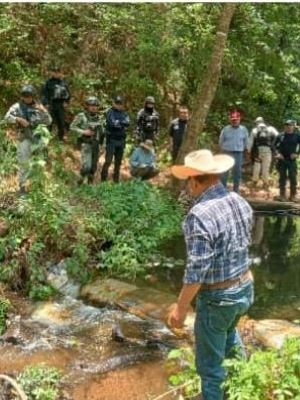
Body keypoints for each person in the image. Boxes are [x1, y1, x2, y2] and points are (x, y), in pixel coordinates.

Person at [168, 149, 254, 400]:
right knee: (228, 335)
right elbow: (243, 245)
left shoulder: (199, 215)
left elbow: (196, 271)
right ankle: (243, 388)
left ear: (194, 180)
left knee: (210, 368)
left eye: (188, 182)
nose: (188, 187)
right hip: (244, 287)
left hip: (218, 298)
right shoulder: (239, 200)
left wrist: (180, 308)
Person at [5, 84, 52, 195]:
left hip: (38, 139)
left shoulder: (38, 107)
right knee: (23, 163)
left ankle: (37, 186)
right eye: (25, 95)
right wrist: (18, 119)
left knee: (39, 163)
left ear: (33, 96)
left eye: (29, 95)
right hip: (24, 138)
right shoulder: (17, 106)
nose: (27, 98)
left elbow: (49, 121)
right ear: (22, 96)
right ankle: (22, 188)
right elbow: (7, 117)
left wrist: (43, 110)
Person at [70, 96, 104, 185]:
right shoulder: (81, 116)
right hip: (86, 143)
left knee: (93, 168)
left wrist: (102, 145)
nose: (94, 107)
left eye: (96, 105)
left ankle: (89, 186)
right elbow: (72, 127)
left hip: (96, 144)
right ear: (87, 106)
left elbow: (102, 132)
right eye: (91, 105)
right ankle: (79, 182)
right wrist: (83, 132)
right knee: (87, 167)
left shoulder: (99, 118)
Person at [101, 96, 130, 183]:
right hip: (111, 140)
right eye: (117, 103)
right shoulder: (110, 112)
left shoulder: (125, 113)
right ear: (114, 103)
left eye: (120, 103)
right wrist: (121, 123)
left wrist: (119, 122)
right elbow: (113, 124)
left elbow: (127, 123)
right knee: (108, 161)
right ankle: (103, 180)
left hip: (121, 141)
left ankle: (116, 181)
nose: (118, 105)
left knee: (118, 163)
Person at [219, 110, 249, 192]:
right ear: (230, 119)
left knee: (237, 172)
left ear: (239, 119)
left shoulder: (244, 129)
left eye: (236, 119)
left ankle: (236, 190)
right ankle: (222, 190)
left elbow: (246, 142)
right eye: (233, 119)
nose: (234, 121)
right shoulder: (225, 129)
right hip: (226, 152)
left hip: (238, 153)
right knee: (224, 172)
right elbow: (221, 141)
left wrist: (246, 152)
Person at [42, 65, 70, 141]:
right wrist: (46, 103)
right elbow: (44, 94)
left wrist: (66, 102)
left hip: (61, 104)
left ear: (60, 73)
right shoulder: (48, 82)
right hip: (51, 103)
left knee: (61, 120)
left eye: (58, 72)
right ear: (52, 72)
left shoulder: (63, 82)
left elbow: (68, 93)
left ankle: (61, 137)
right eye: (54, 72)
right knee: (49, 120)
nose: (56, 73)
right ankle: (46, 137)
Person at [247, 117, 278, 188]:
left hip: (258, 152)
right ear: (263, 121)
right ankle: (265, 183)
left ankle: (254, 181)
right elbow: (278, 136)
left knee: (257, 166)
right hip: (267, 151)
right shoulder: (270, 129)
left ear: (256, 123)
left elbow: (250, 142)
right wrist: (274, 146)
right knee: (266, 167)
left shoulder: (254, 130)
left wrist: (248, 151)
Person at [274, 119, 300, 202]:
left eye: (290, 125)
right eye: (286, 125)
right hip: (282, 159)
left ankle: (293, 196)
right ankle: (282, 195)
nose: (288, 127)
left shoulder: (297, 136)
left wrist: (297, 153)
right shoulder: (280, 135)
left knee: (293, 178)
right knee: (282, 178)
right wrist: (277, 153)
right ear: (284, 126)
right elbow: (273, 145)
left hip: (292, 160)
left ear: (293, 126)